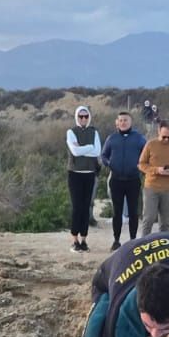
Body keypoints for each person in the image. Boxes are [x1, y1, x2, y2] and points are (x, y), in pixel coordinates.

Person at [100, 111, 147, 251]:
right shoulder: (112, 138)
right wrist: (109, 164)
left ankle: (133, 241)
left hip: (133, 180)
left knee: (133, 212)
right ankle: (116, 240)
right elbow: (103, 155)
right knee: (117, 212)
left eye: (125, 120)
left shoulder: (139, 138)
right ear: (117, 122)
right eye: (120, 120)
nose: (123, 122)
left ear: (131, 122)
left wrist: (140, 166)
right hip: (116, 180)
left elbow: (147, 154)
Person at [137, 120, 169, 235]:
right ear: (159, 131)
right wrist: (156, 170)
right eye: (164, 137)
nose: (166, 140)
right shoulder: (150, 144)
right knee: (148, 219)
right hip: (151, 187)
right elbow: (141, 164)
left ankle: (163, 246)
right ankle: (145, 245)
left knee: (165, 222)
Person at [67, 105, 102, 252]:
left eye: (86, 116)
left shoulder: (94, 132)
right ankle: (74, 239)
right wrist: (89, 147)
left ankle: (84, 239)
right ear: (76, 117)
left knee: (86, 207)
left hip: (89, 173)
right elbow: (75, 151)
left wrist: (84, 148)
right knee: (77, 207)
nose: (83, 119)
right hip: (75, 173)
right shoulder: (71, 132)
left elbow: (97, 151)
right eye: (80, 116)